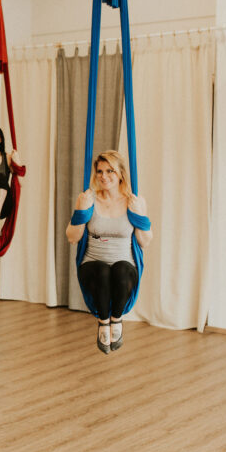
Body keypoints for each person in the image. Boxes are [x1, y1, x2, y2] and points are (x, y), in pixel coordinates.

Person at [65, 150, 152, 353]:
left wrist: (139, 216)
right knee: (103, 269)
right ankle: (103, 322)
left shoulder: (134, 201)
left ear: (121, 173)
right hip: (92, 266)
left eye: (110, 171)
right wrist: (80, 210)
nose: (103, 176)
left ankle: (116, 319)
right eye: (100, 171)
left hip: (125, 268)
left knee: (121, 268)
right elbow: (72, 237)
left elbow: (145, 242)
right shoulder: (88, 199)